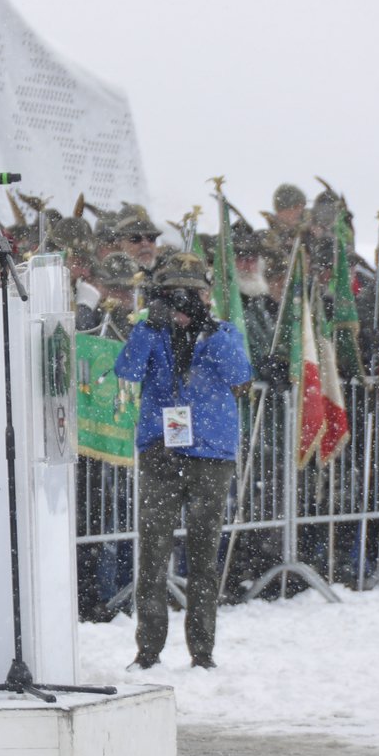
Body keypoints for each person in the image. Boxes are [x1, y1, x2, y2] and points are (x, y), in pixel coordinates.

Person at [115, 253, 252, 670]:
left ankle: (203, 651)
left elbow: (240, 373)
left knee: (204, 555)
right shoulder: (152, 332)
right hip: (161, 449)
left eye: (191, 293)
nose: (183, 301)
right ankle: (148, 649)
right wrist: (149, 325)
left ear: (207, 294)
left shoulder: (223, 332)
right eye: (173, 293)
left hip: (210, 453)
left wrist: (208, 327)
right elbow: (129, 371)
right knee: (152, 554)